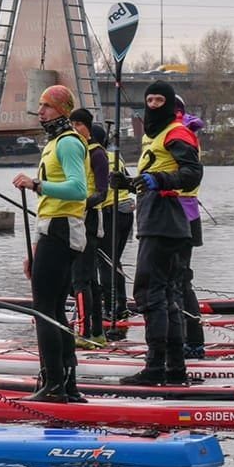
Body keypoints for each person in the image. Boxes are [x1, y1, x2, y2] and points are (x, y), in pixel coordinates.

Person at [110, 80, 202, 386]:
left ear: (170, 102)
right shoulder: (156, 135)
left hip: (165, 218)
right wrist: (127, 182)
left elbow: (191, 174)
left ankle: (154, 368)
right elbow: (152, 174)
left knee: (150, 294)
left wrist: (158, 181)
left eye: (159, 100)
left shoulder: (176, 132)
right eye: (149, 100)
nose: (152, 105)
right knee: (166, 295)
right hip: (157, 217)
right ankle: (175, 369)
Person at [13, 84, 89, 403]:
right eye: (40, 107)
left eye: (45, 107)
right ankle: (66, 385)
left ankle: (54, 384)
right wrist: (35, 250)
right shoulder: (56, 143)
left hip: (62, 229)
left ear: (62, 110)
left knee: (44, 309)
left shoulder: (69, 142)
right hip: (53, 229)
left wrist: (36, 184)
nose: (40, 112)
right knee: (55, 309)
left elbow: (78, 189)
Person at [68, 108, 109, 348]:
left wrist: (79, 202)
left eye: (79, 125)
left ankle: (83, 333)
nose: (75, 129)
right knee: (89, 280)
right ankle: (96, 332)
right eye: (72, 124)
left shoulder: (97, 154)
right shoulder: (76, 151)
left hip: (89, 220)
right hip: (74, 219)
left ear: (88, 127)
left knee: (81, 280)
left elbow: (102, 193)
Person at [91, 123, 135, 339]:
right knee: (114, 260)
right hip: (127, 211)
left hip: (111, 211)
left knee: (105, 261)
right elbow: (127, 181)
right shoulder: (113, 156)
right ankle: (122, 304)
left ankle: (110, 307)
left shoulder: (93, 156)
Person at [174, 94, 207, 359]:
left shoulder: (181, 133)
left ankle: (192, 343)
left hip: (181, 215)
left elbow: (187, 176)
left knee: (180, 281)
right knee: (176, 280)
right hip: (179, 213)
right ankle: (183, 339)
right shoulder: (181, 131)